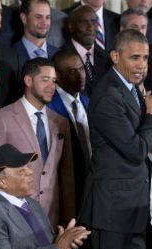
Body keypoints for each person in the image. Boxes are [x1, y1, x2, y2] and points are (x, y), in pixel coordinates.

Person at [79, 29, 152, 249]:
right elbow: (136, 151)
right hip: (111, 211)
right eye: (134, 57)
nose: (141, 64)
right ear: (115, 57)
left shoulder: (130, 88)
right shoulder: (109, 96)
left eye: (145, 58)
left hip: (131, 207)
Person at [0, 57, 75, 226]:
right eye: (45, 80)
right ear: (28, 80)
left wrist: (68, 217)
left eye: (54, 81)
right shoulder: (2, 118)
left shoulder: (61, 122)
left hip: (53, 217)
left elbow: (66, 174)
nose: (52, 87)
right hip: (16, 218)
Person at [0, 144, 91, 249]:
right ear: (1, 181)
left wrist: (64, 241)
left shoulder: (31, 203)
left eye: (28, 167)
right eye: (21, 172)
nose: (30, 172)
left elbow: (48, 245)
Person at [47, 49, 91, 214]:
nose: (81, 75)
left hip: (91, 183)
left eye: (81, 69)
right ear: (57, 76)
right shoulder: (49, 106)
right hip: (65, 188)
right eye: (72, 71)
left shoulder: (88, 102)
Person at [62, 5, 112, 96]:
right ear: (71, 26)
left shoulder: (108, 59)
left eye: (94, 22)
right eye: (84, 22)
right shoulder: (60, 57)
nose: (90, 27)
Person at [13, 0, 59, 67]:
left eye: (47, 17)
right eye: (38, 17)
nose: (44, 22)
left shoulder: (58, 54)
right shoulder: (10, 54)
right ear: (24, 18)